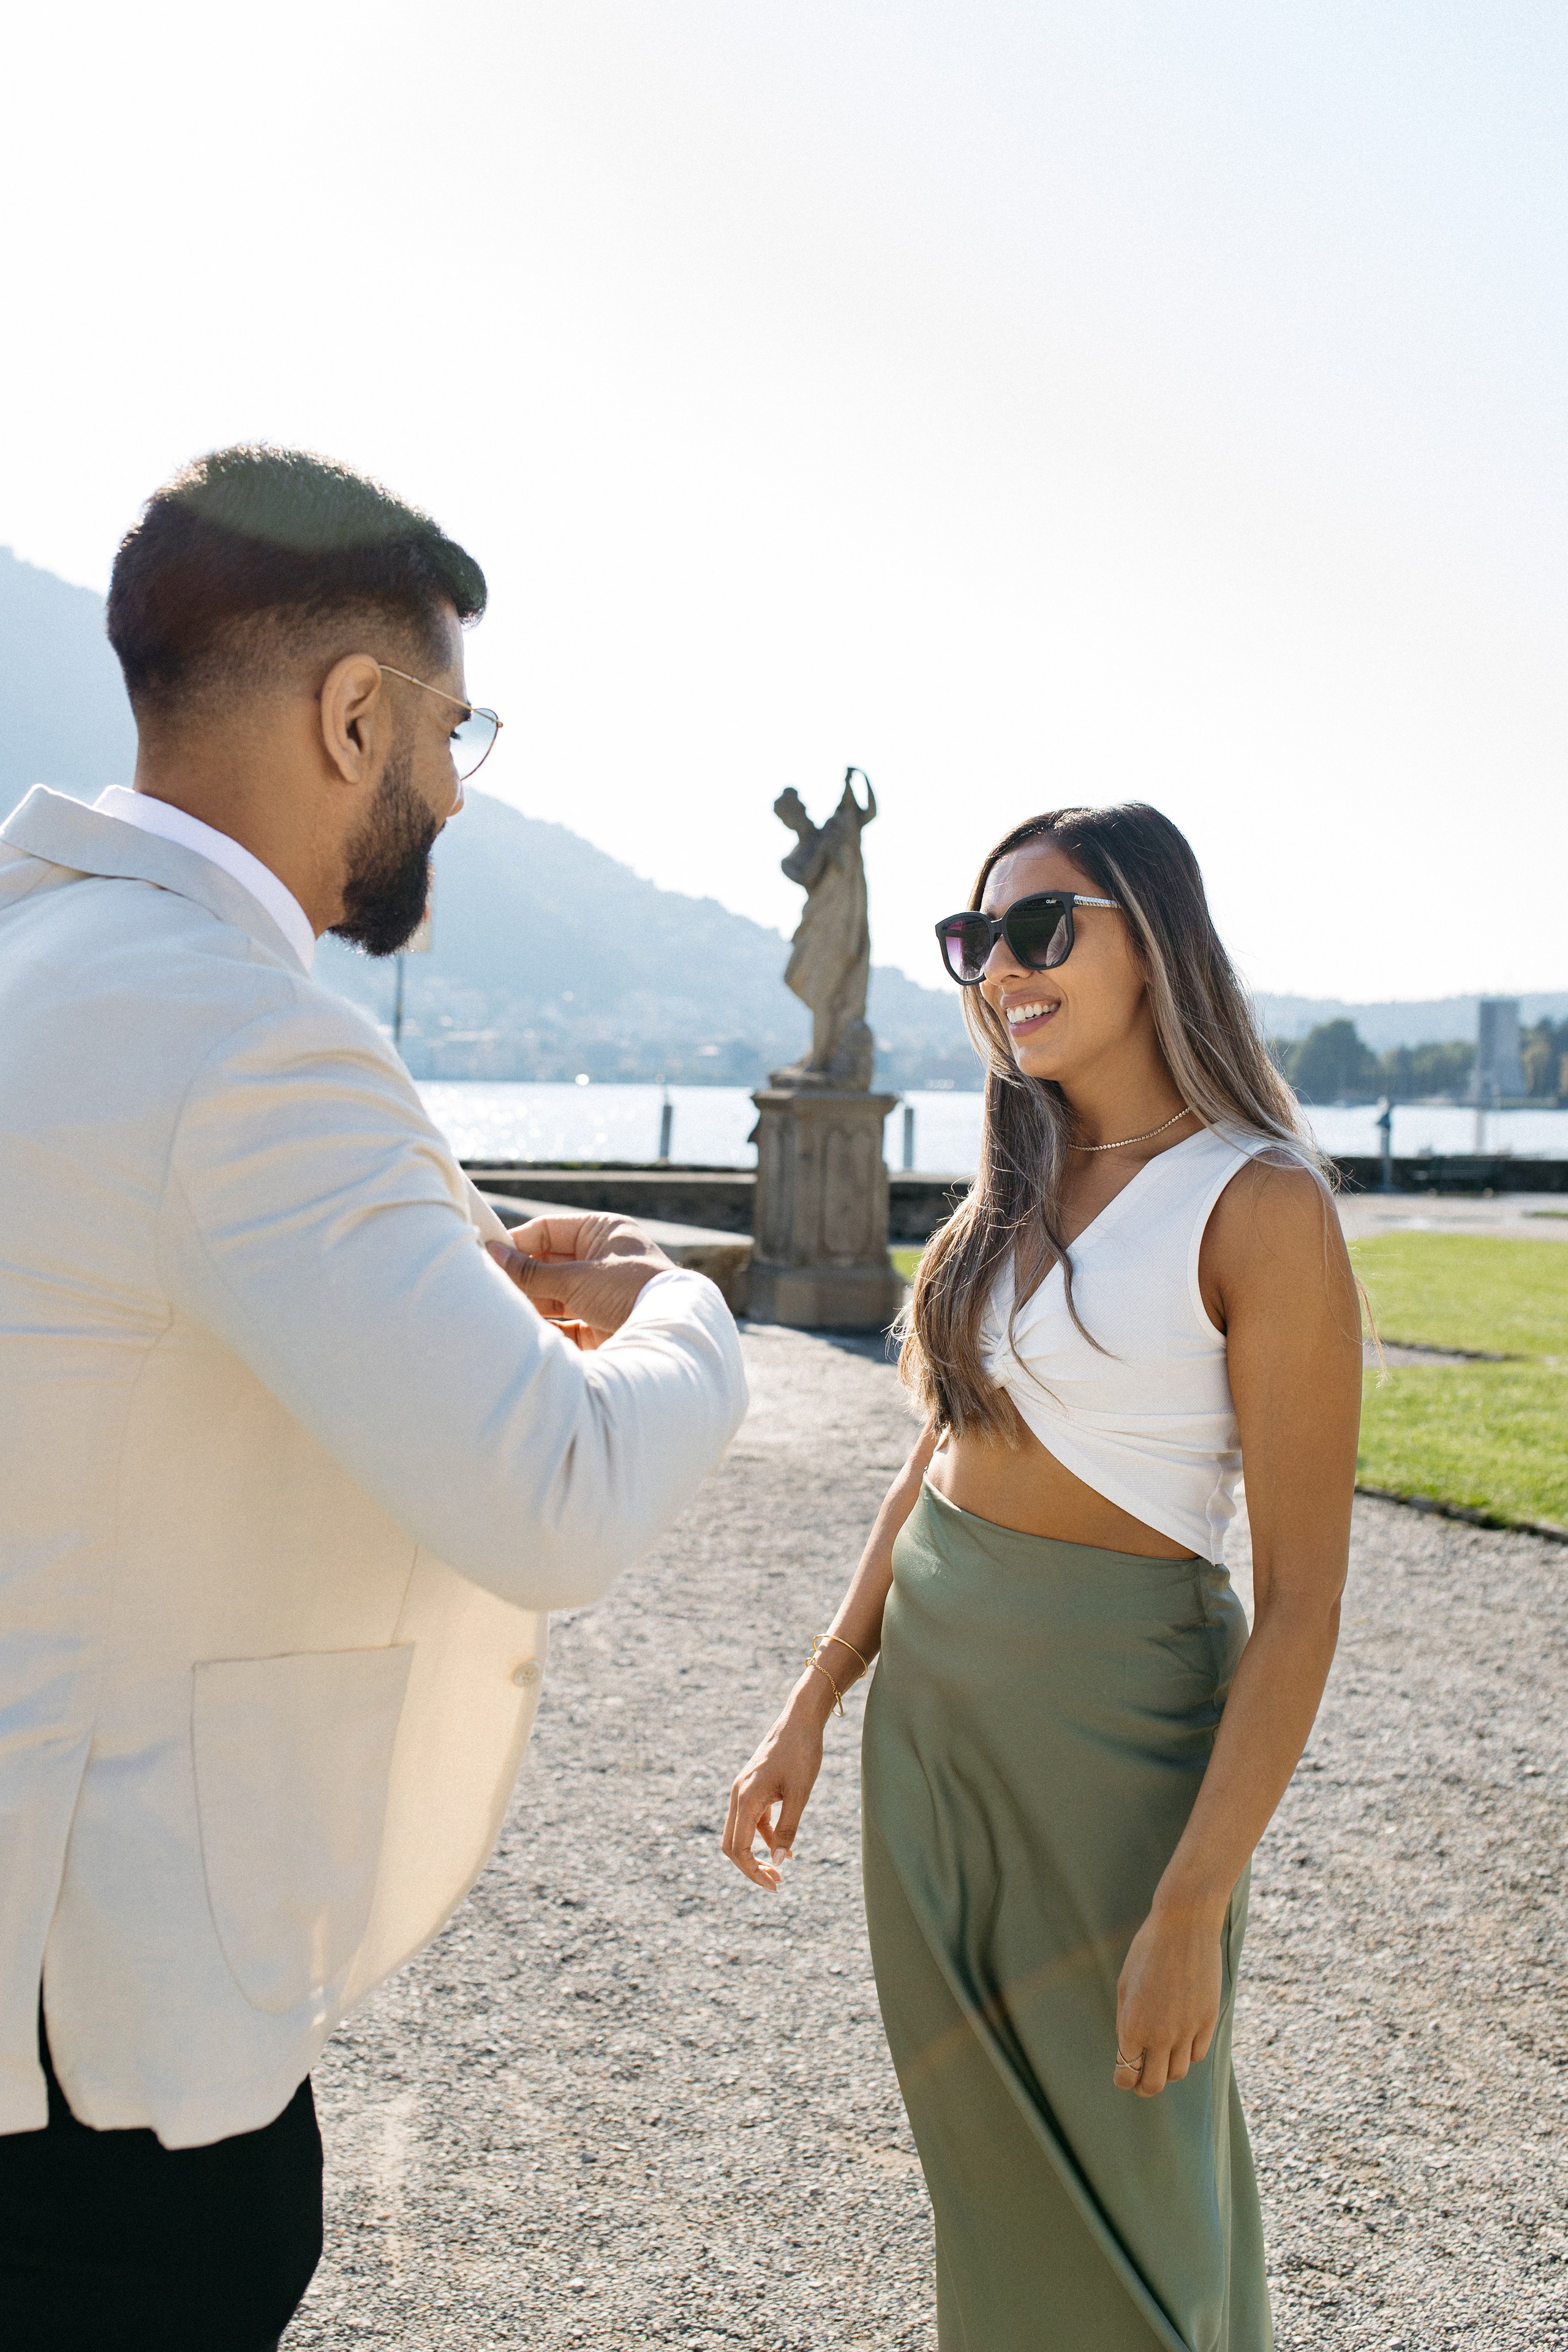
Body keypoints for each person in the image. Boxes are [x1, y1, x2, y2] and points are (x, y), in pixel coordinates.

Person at [0, 446, 747, 2351]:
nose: (458, 791)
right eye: (452, 730)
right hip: (109, 2061)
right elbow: (554, 1495)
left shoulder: (32, 959)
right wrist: (683, 1310)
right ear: (354, 718)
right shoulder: (251, 1043)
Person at [725, 803, 1361, 2350]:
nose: (999, 969)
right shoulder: (1013, 1183)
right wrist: (812, 1700)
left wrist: (1190, 1904)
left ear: (1155, 940)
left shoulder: (1260, 1204)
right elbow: (936, 1458)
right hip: (930, 1743)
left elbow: (1299, 1607)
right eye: (975, 940)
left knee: (1137, 2177)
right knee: (990, 2177)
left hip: (1112, 1750)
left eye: (1038, 928)